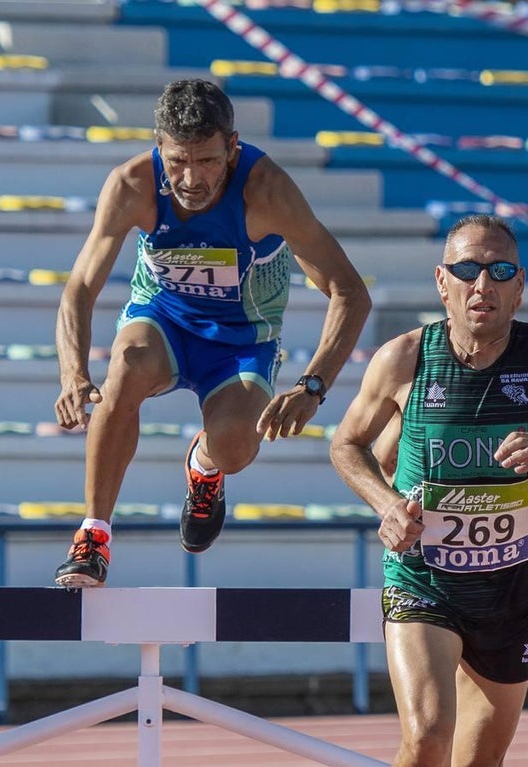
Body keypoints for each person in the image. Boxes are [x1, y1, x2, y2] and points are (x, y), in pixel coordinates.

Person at [329, 214, 528, 767]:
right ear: (442, 282)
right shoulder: (404, 358)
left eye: (499, 271)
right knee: (427, 736)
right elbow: (346, 444)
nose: (482, 284)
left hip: (513, 590)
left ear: (520, 285)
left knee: (479, 760)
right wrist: (387, 504)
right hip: (424, 581)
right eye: (467, 270)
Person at [53, 79, 371, 587]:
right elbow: (80, 288)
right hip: (163, 321)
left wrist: (313, 385)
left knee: (236, 448)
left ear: (232, 147)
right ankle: (93, 535)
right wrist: (72, 372)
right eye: (178, 161)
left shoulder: (267, 192)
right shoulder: (132, 184)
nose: (191, 178)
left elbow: (350, 292)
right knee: (124, 370)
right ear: (159, 147)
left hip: (242, 341)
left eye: (206, 161)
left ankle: (205, 467)